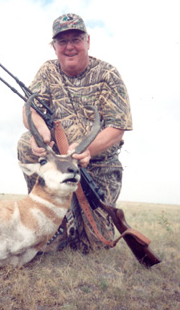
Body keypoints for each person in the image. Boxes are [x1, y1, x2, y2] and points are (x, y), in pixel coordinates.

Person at [17, 13, 132, 253]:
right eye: (62, 41)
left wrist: (88, 149)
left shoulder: (108, 74)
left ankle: (74, 223)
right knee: (26, 143)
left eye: (76, 39)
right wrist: (40, 132)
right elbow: (30, 109)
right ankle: (47, 218)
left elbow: (117, 127)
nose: (69, 46)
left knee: (94, 247)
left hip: (98, 167)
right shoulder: (47, 71)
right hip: (59, 161)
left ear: (88, 41)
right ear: (54, 46)